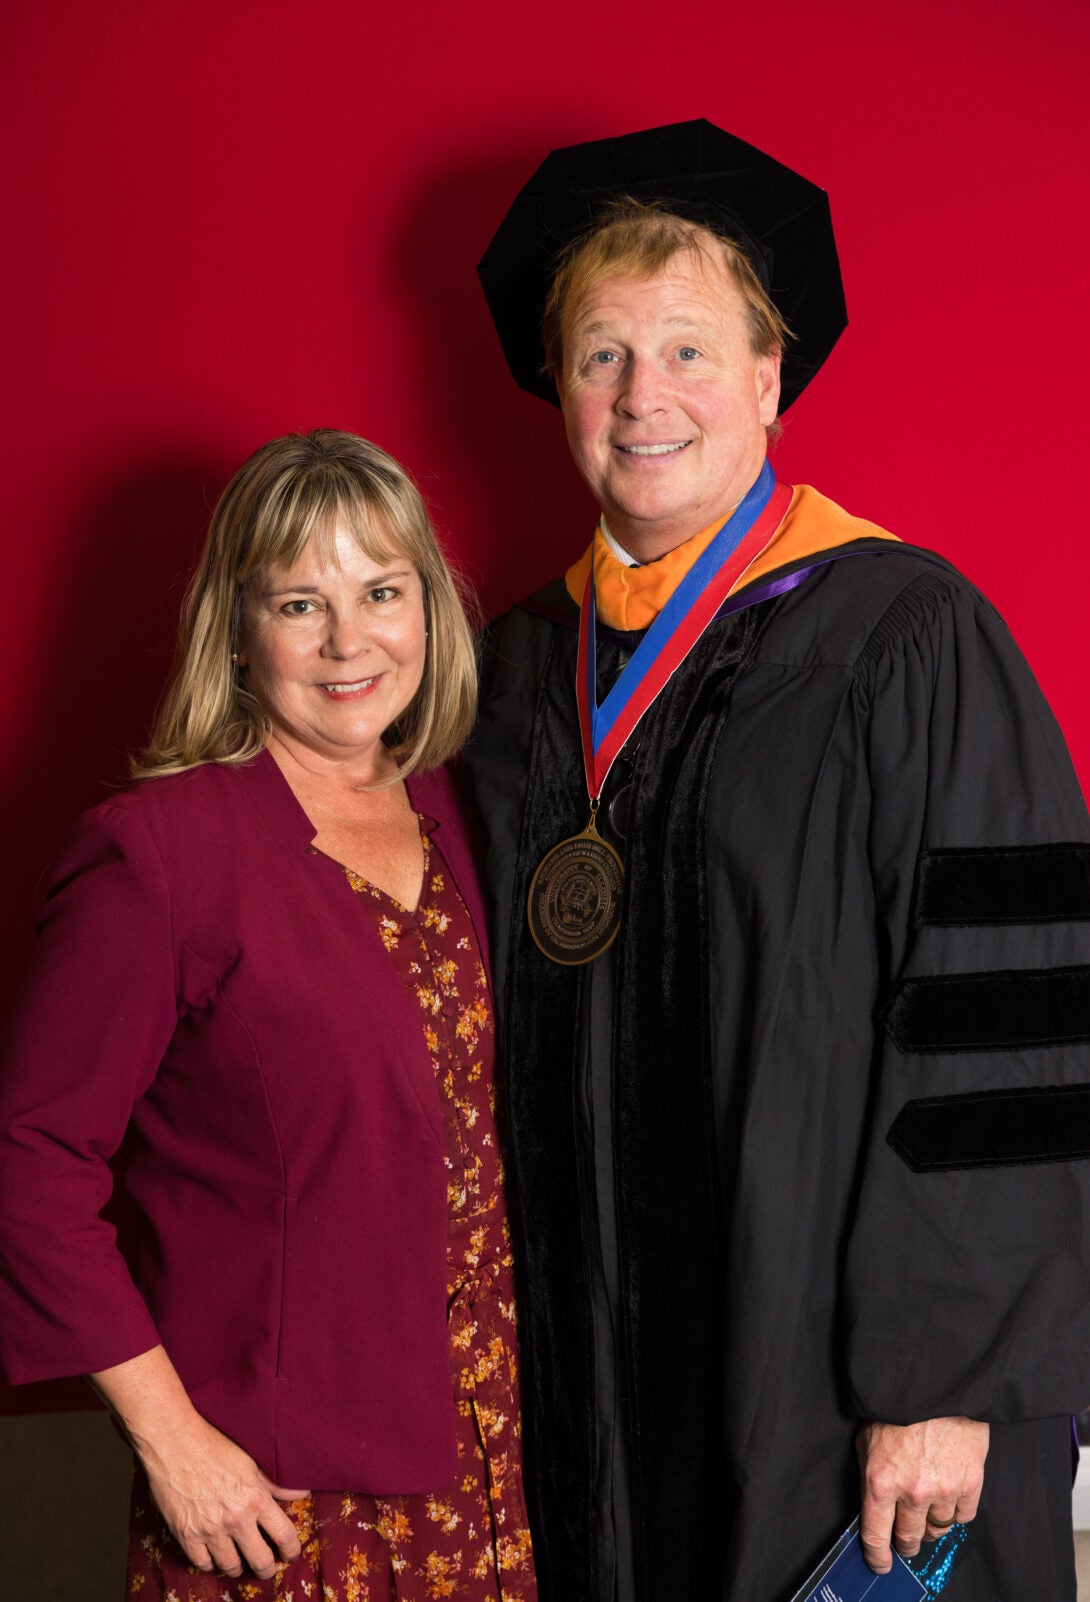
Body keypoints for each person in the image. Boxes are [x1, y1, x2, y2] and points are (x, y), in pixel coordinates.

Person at [464, 120, 1090, 1601]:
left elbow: (1006, 1015)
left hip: (842, 1393)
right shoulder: (498, 676)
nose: (640, 395)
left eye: (687, 349)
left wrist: (946, 1375)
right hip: (583, 1391)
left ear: (767, 379)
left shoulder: (899, 633)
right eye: (600, 353)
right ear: (557, 386)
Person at [0, 429, 537, 1602]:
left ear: (429, 609)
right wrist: (172, 1443)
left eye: (382, 591)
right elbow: (29, 1156)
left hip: (494, 1470)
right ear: (239, 632)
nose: (351, 640)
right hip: (278, 1505)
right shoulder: (159, 852)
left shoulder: (470, 811)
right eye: (302, 601)